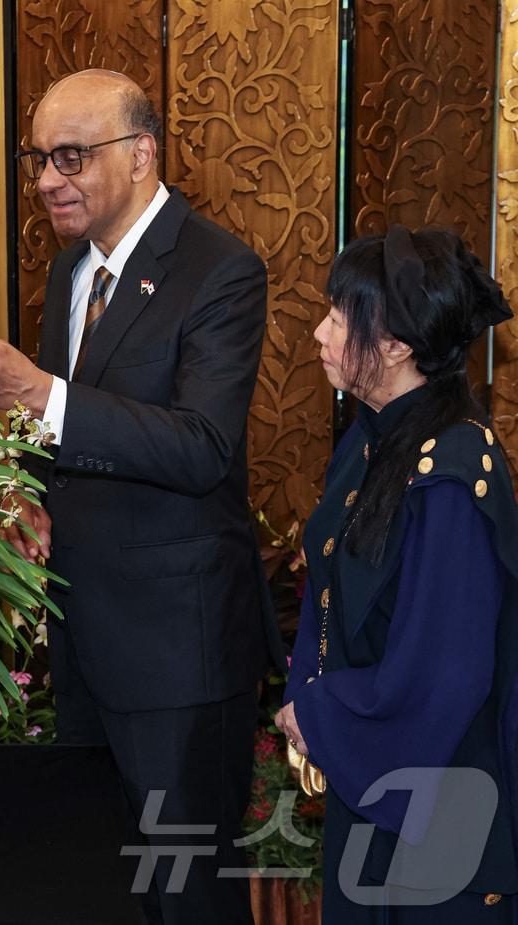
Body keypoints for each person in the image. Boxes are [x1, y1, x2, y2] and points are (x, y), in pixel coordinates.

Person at [0, 69, 275, 922]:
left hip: (177, 656)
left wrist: (40, 394)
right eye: (38, 158)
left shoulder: (219, 269)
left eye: (70, 156)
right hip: (82, 639)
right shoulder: (70, 269)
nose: (47, 179)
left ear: (143, 154)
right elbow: (72, 440)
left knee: (184, 894)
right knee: (103, 884)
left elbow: (203, 447)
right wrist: (21, 492)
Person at [276, 226, 518, 920]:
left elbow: (443, 674)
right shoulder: (371, 438)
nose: (318, 334)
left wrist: (321, 712)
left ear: (396, 345)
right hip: (377, 782)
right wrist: (310, 700)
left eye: (336, 317)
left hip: (438, 809)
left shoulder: (451, 474)